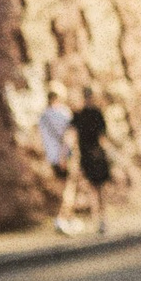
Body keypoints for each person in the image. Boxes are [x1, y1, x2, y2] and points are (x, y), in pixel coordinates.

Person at [37, 90, 91, 235]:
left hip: (52, 157)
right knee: (69, 188)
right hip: (64, 156)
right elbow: (69, 134)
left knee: (64, 187)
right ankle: (62, 218)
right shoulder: (62, 113)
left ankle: (68, 218)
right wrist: (64, 156)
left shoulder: (43, 116)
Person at [70, 92, 115, 226]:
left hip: (90, 154)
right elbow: (102, 137)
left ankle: (100, 218)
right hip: (93, 154)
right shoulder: (90, 114)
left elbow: (72, 135)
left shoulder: (84, 115)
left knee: (95, 188)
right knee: (96, 188)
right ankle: (100, 218)